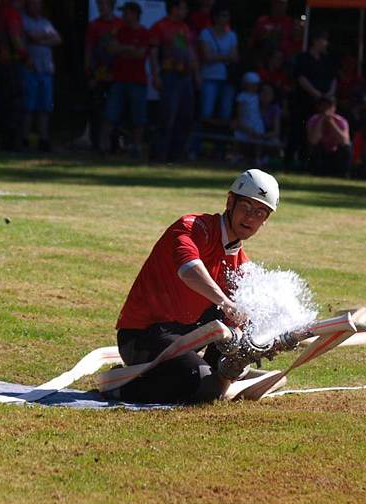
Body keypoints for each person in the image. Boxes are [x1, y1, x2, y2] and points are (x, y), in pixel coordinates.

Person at [112, 169, 281, 405]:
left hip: (188, 336)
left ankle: (205, 375)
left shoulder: (242, 263)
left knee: (235, 345)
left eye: (260, 212)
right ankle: (120, 387)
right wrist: (226, 302)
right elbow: (189, 271)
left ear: (265, 221)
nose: (251, 217)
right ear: (230, 201)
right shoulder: (193, 227)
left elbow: (241, 318)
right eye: (246, 207)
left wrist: (256, 342)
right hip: (143, 336)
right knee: (204, 385)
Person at [150, 0, 199, 163]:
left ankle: (176, 156)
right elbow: (154, 53)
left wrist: (196, 73)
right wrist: (155, 75)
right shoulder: (160, 26)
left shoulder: (184, 28)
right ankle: (159, 156)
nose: (185, 11)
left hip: (185, 77)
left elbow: (190, 51)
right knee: (167, 116)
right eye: (183, 8)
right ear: (174, 9)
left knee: (185, 116)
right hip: (170, 75)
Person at [99, 2, 149, 159]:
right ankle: (104, 148)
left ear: (134, 14)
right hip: (119, 80)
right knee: (110, 115)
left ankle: (136, 148)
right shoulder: (118, 31)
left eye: (126, 12)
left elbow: (140, 54)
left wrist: (122, 49)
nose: (123, 16)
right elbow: (111, 49)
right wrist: (128, 49)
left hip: (138, 81)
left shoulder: (144, 33)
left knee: (138, 118)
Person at [287, 30, 336, 170]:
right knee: (297, 131)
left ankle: (309, 164)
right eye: (323, 40)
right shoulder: (303, 58)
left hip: (321, 104)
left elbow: (333, 78)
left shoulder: (326, 60)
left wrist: (328, 95)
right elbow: (300, 77)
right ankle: (290, 162)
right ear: (315, 41)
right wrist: (316, 93)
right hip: (303, 102)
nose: (325, 43)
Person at [21, 0, 61, 152]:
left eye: (39, 4)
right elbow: (32, 37)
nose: (37, 7)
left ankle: (43, 139)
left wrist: (41, 38)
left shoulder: (45, 22)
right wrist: (46, 38)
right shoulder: (24, 20)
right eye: (34, 4)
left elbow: (58, 39)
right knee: (28, 107)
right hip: (31, 70)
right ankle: (25, 139)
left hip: (46, 71)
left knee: (45, 108)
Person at [84, 0, 122, 151]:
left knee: (115, 111)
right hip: (99, 75)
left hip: (117, 76)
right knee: (97, 110)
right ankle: (97, 144)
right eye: (99, 5)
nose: (101, 7)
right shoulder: (94, 25)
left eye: (104, 4)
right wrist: (89, 73)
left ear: (111, 5)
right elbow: (89, 49)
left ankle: (115, 144)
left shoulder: (120, 24)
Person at [0, 0, 28, 152]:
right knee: (15, 105)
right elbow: (16, 39)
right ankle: (14, 143)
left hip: (1, 64)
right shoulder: (12, 14)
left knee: (4, 104)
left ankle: (6, 142)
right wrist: (27, 57)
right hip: (12, 64)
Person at [197, 4, 237, 124]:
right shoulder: (205, 33)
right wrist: (226, 57)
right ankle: (202, 140)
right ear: (215, 17)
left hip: (227, 79)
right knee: (206, 112)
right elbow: (206, 57)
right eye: (224, 16)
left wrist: (216, 57)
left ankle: (221, 141)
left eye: (228, 16)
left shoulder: (232, 35)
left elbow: (235, 57)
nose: (227, 19)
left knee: (226, 113)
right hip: (209, 77)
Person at [306, 96, 351, 177]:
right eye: (323, 106)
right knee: (313, 148)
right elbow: (313, 141)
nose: (326, 109)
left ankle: (342, 174)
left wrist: (331, 123)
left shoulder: (341, 121)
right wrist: (321, 120)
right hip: (321, 154)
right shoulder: (313, 120)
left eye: (329, 106)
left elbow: (344, 141)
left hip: (335, 154)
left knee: (347, 148)